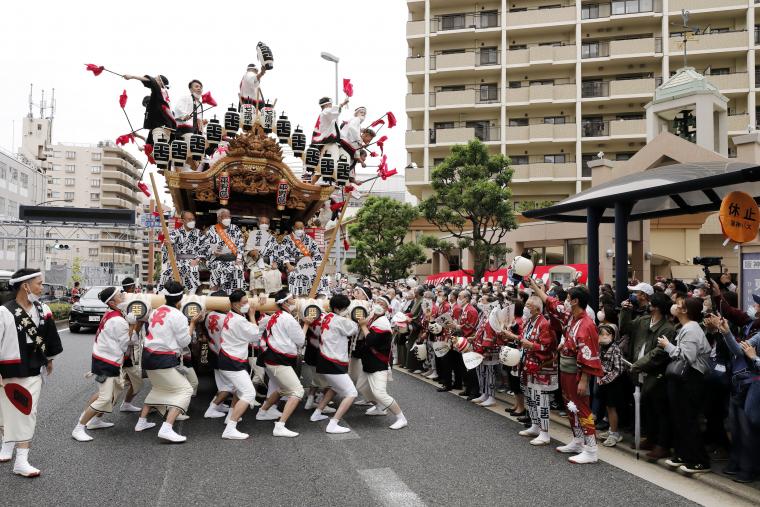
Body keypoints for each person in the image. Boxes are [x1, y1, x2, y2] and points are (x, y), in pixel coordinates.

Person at [532, 279, 603, 464]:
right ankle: (578, 440)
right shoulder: (571, 317)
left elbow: (589, 354)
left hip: (577, 372)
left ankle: (591, 449)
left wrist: (584, 380)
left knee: (582, 407)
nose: (564, 301)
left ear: (575, 301)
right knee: (570, 405)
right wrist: (533, 285)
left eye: (568, 298)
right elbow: (551, 302)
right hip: (565, 368)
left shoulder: (586, 324)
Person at [0, 269, 63, 477]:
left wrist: (50, 359)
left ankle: (22, 461)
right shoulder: (4, 312)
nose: (42, 287)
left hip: (33, 367)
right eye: (39, 283)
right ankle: (7, 445)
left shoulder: (43, 309)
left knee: (26, 410)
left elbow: (50, 335)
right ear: (25, 286)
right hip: (8, 368)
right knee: (5, 412)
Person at [134, 281, 200, 443]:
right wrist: (192, 323)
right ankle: (167, 427)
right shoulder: (178, 315)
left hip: (148, 356)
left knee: (159, 388)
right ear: (181, 298)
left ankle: (141, 422)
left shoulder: (156, 311)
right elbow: (184, 341)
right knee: (185, 390)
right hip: (162, 357)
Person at [658, 296, 712, 474]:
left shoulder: (691, 330)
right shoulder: (686, 328)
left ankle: (699, 460)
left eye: (679, 305)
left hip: (691, 379)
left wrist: (668, 346)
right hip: (684, 379)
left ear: (686, 310)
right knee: (679, 417)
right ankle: (683, 454)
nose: (675, 306)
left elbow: (687, 357)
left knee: (688, 419)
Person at [72, 287, 133, 442]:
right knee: (105, 397)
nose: (123, 295)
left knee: (110, 393)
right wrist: (133, 326)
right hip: (107, 362)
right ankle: (79, 427)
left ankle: (95, 420)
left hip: (104, 358)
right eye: (120, 295)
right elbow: (126, 345)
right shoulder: (118, 320)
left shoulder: (111, 314)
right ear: (112, 302)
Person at [708, 314, 760, 483]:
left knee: (748, 430)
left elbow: (750, 355)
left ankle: (748, 469)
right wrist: (726, 333)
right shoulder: (757, 332)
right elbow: (739, 351)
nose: (756, 308)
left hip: (754, 385)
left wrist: (755, 358)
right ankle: (738, 464)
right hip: (745, 384)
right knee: (737, 427)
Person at [624, 292, 676, 460]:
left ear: (657, 307)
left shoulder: (667, 328)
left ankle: (662, 445)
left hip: (655, 374)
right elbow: (626, 328)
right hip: (639, 371)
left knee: (660, 410)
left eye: (651, 303)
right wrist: (625, 312)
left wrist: (639, 364)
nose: (648, 304)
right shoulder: (643, 320)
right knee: (647, 408)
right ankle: (651, 438)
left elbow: (659, 353)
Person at [256, 291, 313, 437]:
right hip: (279, 360)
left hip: (272, 358)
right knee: (297, 391)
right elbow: (300, 341)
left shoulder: (274, 316)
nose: (295, 300)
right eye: (292, 298)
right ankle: (280, 426)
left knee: (283, 388)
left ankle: (263, 412)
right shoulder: (288, 319)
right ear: (285, 302)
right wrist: (306, 324)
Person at [309, 294, 360, 434]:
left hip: (325, 360)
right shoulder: (340, 320)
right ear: (338, 308)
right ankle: (333, 424)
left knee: (335, 388)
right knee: (351, 393)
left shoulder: (325, 316)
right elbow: (355, 328)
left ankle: (317, 413)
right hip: (333, 362)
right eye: (345, 308)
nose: (347, 310)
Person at [217, 290, 264, 440]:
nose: (247, 304)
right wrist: (252, 315)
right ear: (236, 304)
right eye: (245, 302)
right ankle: (230, 428)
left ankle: (230, 416)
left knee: (239, 390)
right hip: (232, 361)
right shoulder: (239, 320)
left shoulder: (231, 315)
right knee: (249, 393)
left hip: (229, 358)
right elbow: (255, 336)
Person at [356, 296, 408, 429]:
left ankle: (401, 418)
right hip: (369, 361)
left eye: (382, 304)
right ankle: (379, 407)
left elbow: (371, 340)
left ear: (386, 309)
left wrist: (363, 326)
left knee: (379, 393)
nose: (378, 305)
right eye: (377, 302)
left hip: (378, 362)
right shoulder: (373, 316)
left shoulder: (383, 323)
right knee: (362, 387)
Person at [511, 295, 556, 446]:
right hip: (528, 365)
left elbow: (547, 347)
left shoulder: (544, 324)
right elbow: (524, 339)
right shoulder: (529, 322)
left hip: (542, 367)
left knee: (541, 399)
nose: (526, 308)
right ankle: (535, 426)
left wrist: (530, 345)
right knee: (530, 397)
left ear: (537, 309)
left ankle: (545, 433)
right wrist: (512, 336)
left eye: (529, 306)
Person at [263, 221, 327, 297]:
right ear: (293, 228)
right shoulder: (287, 239)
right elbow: (284, 253)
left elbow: (316, 254)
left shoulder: (309, 239)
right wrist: (288, 265)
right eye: (297, 228)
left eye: (301, 228)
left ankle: (319, 296)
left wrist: (318, 268)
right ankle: (297, 297)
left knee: (322, 277)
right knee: (295, 276)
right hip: (293, 266)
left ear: (304, 228)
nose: (299, 230)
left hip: (307, 265)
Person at [123, 73, 176, 155]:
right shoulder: (164, 98)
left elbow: (150, 81)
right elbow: (148, 141)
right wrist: (138, 136)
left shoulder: (158, 93)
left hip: (161, 127)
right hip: (167, 128)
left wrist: (132, 76)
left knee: (161, 153)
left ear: (160, 83)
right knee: (162, 152)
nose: (147, 107)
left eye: (156, 79)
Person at [160, 210, 208, 294]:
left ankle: (190, 297)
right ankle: (163, 296)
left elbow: (205, 248)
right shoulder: (175, 233)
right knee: (165, 274)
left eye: (193, 219)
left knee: (192, 273)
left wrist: (197, 260)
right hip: (177, 262)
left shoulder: (199, 234)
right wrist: (167, 244)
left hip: (193, 262)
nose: (192, 221)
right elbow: (167, 245)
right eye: (189, 219)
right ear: (182, 220)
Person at [203, 290, 233, 419]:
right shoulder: (226, 318)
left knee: (222, 384)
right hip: (225, 353)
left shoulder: (209, 315)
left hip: (214, 351)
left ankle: (218, 405)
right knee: (231, 385)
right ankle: (212, 407)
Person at [596, 323, 626, 447]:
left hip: (613, 383)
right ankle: (610, 430)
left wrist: (605, 379)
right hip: (602, 380)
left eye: (607, 334)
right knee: (607, 407)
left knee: (612, 407)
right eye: (601, 334)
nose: (604, 337)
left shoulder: (616, 349)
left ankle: (614, 433)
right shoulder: (600, 348)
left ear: (613, 336)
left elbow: (618, 369)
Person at [205, 208, 246, 292]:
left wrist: (238, 259)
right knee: (216, 269)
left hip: (234, 259)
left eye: (229, 216)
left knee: (238, 268)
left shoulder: (235, 229)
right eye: (225, 217)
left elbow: (241, 246)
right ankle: (214, 295)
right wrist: (213, 252)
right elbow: (206, 246)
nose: (228, 219)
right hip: (218, 260)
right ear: (219, 218)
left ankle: (237, 295)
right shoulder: (212, 230)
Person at [119, 277, 144, 413]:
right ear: (131, 288)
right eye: (134, 287)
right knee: (115, 387)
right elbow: (132, 334)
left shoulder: (123, 302)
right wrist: (139, 322)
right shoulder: (128, 304)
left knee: (132, 381)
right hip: (127, 349)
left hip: (123, 350)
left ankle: (127, 404)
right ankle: (93, 417)